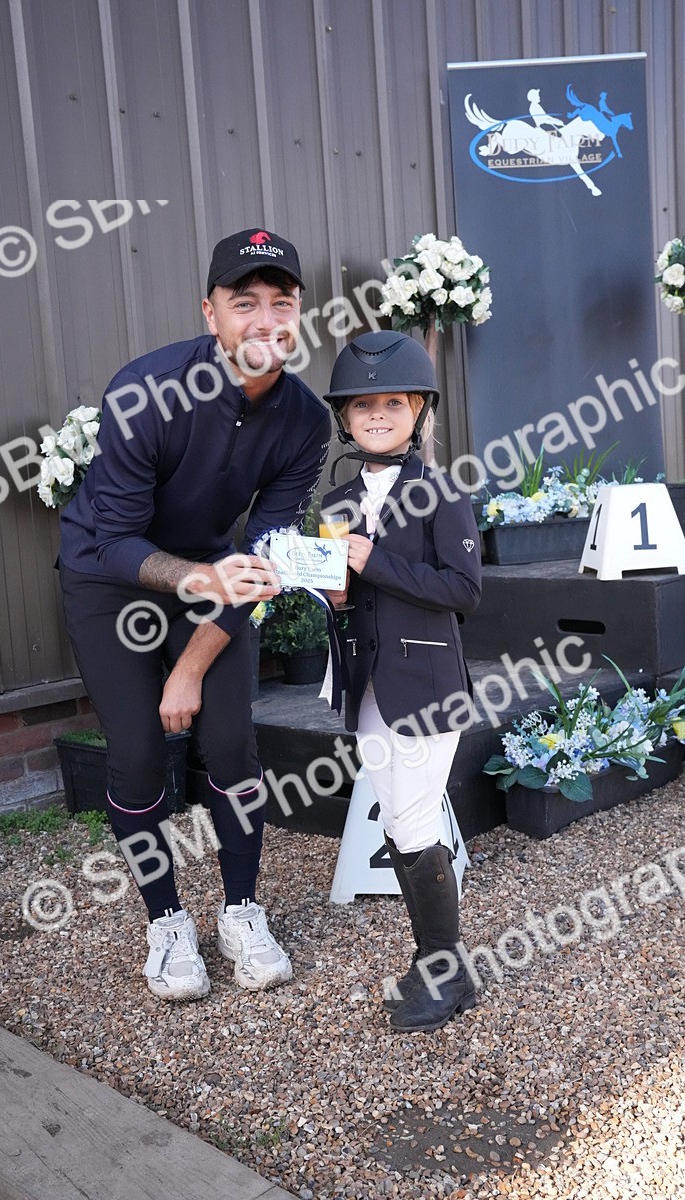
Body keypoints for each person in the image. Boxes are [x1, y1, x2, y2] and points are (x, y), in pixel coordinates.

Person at [57, 228, 331, 1001]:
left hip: (218, 579)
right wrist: (205, 577)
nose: (265, 321)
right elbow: (111, 540)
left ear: (300, 313)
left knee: (231, 743)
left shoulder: (306, 420)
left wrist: (189, 665)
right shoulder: (146, 393)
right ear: (210, 314)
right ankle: (166, 920)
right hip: (110, 576)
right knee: (140, 754)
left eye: (282, 303)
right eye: (245, 303)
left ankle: (242, 910)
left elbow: (263, 560)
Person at [320, 330, 482, 1032]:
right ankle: (440, 965)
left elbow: (463, 589)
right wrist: (331, 590)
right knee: (397, 816)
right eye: (363, 406)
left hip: (428, 681)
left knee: (413, 818)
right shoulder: (338, 498)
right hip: (368, 682)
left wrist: (373, 558)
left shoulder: (441, 491)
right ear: (346, 418)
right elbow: (347, 592)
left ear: (418, 409)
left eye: (393, 402)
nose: (377, 415)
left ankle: (443, 967)